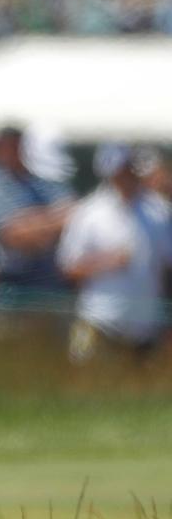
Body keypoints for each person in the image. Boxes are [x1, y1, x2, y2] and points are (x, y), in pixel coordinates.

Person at [57, 144, 172, 362]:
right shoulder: (89, 213)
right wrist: (107, 262)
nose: (126, 178)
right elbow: (69, 267)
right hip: (101, 322)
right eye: (120, 172)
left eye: (129, 170)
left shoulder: (159, 212)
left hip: (146, 327)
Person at [0, 126, 74, 311]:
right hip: (9, 290)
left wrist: (33, 222)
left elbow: (75, 214)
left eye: (21, 144)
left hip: (52, 287)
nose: (17, 150)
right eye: (10, 145)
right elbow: (15, 236)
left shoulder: (40, 177)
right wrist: (53, 221)